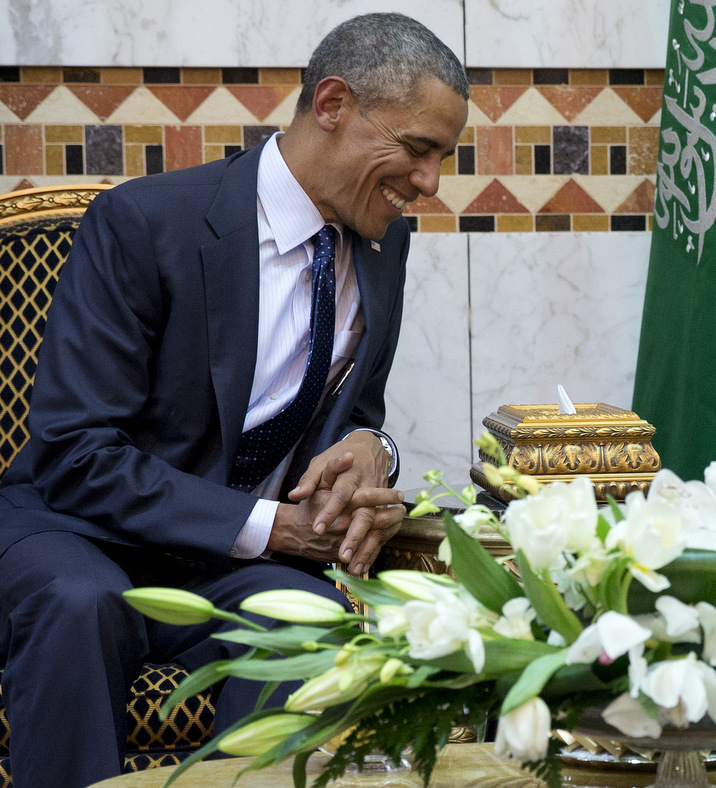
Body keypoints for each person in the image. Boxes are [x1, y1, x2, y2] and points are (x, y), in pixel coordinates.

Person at [0, 13, 468, 787]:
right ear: (332, 104)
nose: (429, 182)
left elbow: (359, 411)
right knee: (82, 604)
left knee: (307, 620)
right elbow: (75, 452)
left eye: (442, 157)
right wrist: (273, 526)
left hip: (225, 563)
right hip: (76, 531)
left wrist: (371, 453)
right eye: (418, 149)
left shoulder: (383, 238)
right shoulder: (146, 225)